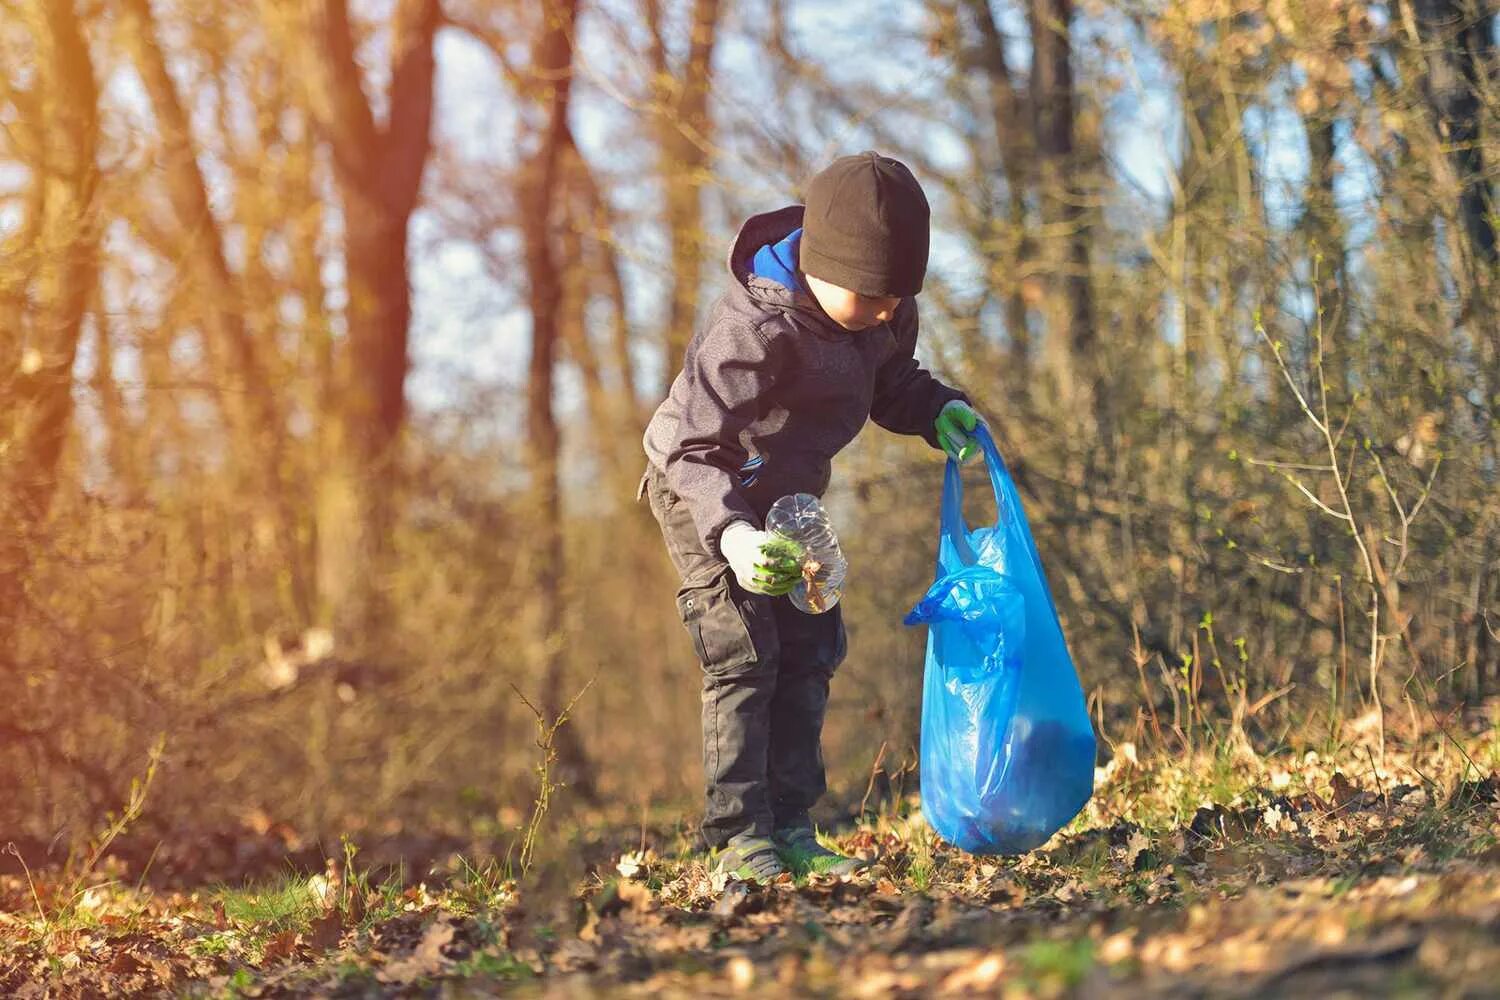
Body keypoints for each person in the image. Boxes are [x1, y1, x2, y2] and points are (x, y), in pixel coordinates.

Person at [638, 151, 983, 882]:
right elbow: (695, 447)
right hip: (703, 487)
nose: (887, 312)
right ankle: (738, 839)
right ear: (823, 268)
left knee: (811, 642)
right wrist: (732, 536)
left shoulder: (882, 311)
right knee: (746, 648)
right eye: (872, 295)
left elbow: (891, 383)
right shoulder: (754, 328)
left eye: (898, 296)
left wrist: (936, 409)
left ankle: (794, 826)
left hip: (790, 499)